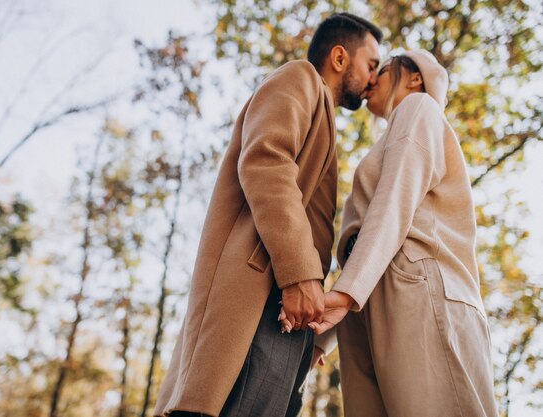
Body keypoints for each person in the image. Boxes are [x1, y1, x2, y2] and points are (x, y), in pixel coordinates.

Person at [153, 13, 382, 417]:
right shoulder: (299, 78)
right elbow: (266, 160)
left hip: (287, 312)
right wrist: (300, 274)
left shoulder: (324, 117)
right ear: (341, 58)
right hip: (263, 296)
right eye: (371, 64)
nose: (373, 80)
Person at [282, 50, 499, 416]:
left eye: (381, 70)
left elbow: (396, 202)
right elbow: (364, 244)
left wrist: (347, 293)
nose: (370, 82)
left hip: (418, 288)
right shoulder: (393, 134)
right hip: (372, 303)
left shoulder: (419, 108)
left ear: (415, 78)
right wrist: (325, 337)